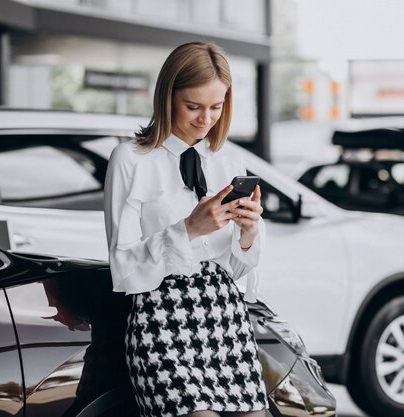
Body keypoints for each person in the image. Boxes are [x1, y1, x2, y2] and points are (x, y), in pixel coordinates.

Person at [104, 42, 267, 417]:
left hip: (225, 314)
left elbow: (237, 270)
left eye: (217, 106)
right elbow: (123, 268)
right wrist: (189, 229)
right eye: (193, 106)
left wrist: (248, 233)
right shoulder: (130, 159)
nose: (205, 118)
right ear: (167, 97)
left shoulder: (230, 159)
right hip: (162, 316)